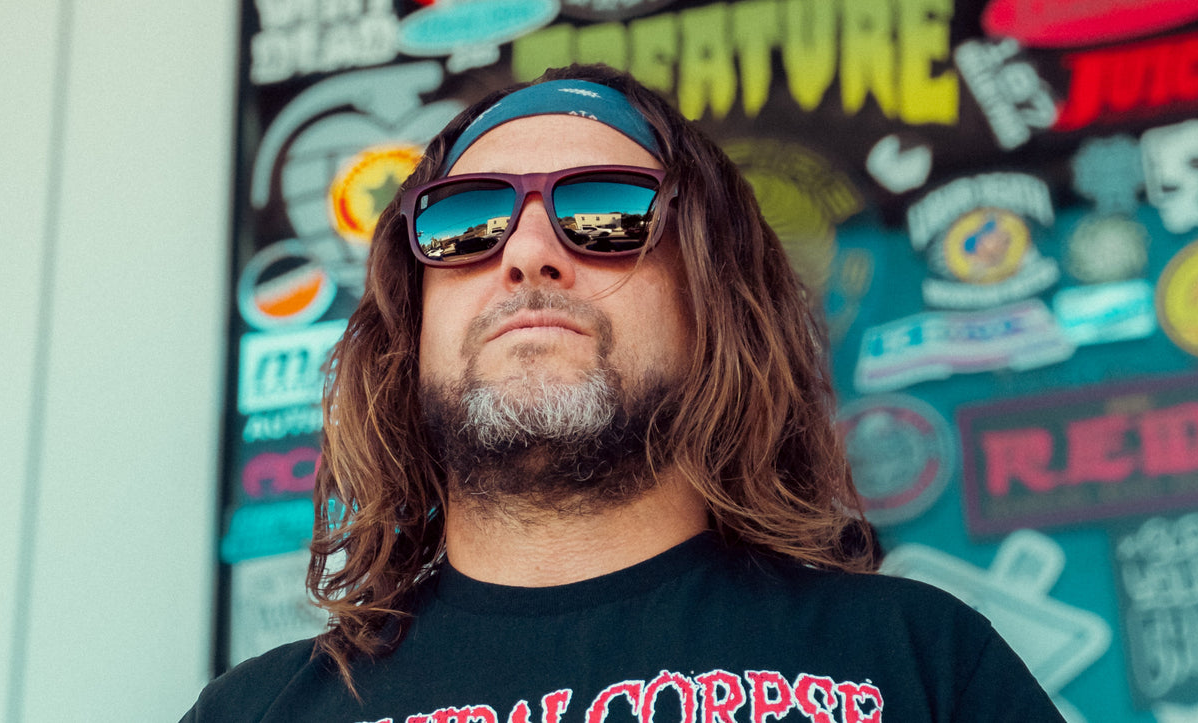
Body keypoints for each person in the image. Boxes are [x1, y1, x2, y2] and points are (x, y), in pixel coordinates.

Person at [183, 64, 1066, 723]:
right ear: (412, 323)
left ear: (711, 299)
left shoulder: (917, 664)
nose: (527, 251)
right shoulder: (252, 714)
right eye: (467, 221)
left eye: (606, 210)